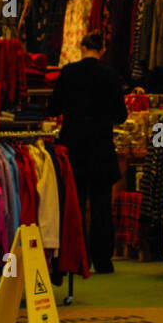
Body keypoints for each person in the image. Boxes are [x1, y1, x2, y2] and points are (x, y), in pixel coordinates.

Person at [49, 33, 127, 273]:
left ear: (82, 47)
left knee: (76, 204)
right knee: (102, 205)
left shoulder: (68, 73)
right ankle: (103, 260)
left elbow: (53, 107)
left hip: (74, 147)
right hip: (101, 147)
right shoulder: (111, 75)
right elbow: (120, 115)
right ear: (102, 49)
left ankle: (78, 258)